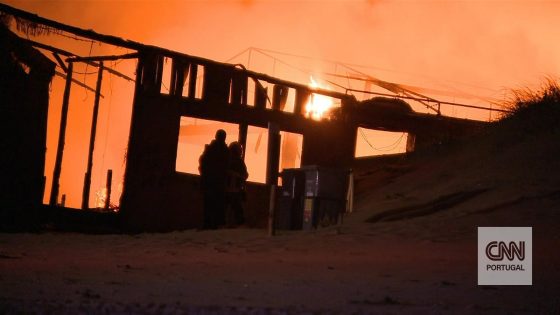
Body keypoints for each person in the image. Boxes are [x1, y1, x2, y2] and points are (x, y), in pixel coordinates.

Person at [198, 129, 229, 229]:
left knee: (208, 204)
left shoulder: (211, 148)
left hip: (209, 181)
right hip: (219, 183)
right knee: (217, 205)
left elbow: (202, 161)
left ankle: (207, 224)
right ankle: (214, 225)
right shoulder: (225, 151)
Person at [225, 141, 248, 227]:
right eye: (240, 149)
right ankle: (238, 223)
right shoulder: (239, 162)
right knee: (237, 208)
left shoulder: (226, 160)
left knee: (227, 207)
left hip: (227, 188)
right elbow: (245, 175)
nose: (241, 151)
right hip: (235, 189)